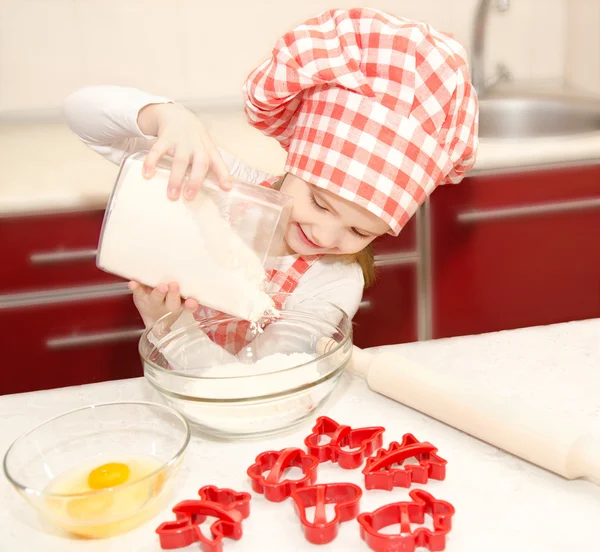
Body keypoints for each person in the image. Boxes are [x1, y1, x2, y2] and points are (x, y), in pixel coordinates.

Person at [64, 7, 478, 356]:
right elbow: (80, 114)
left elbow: (263, 387)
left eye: (359, 230)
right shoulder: (227, 187)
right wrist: (166, 117)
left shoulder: (333, 281)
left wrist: (172, 329)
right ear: (294, 162)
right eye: (320, 203)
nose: (326, 234)